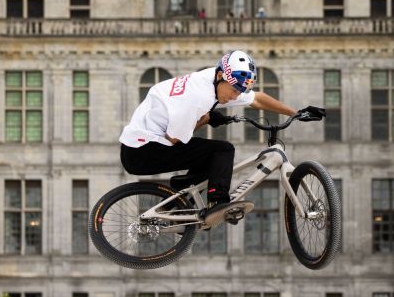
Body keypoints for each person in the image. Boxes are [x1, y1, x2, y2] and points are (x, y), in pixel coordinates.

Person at [119, 50, 323, 225]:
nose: (235, 97)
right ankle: (218, 203)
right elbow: (175, 139)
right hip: (141, 151)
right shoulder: (197, 97)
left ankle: (177, 201)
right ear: (220, 76)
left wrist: (296, 113)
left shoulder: (217, 79)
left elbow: (257, 99)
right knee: (222, 150)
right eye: (234, 91)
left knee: (210, 158)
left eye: (239, 92)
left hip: (146, 144)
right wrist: (206, 119)